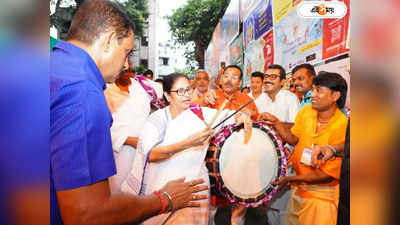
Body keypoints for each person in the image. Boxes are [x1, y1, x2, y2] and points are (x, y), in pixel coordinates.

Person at [50, 1, 207, 225]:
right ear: (109, 41)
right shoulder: (82, 90)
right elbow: (86, 214)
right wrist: (165, 199)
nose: (126, 65)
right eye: (126, 52)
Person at [133, 73, 252, 225]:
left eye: (189, 90)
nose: (187, 95)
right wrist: (188, 143)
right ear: (168, 96)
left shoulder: (200, 113)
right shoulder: (157, 119)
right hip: (164, 187)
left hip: (196, 187)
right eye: (180, 91)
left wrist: (243, 117)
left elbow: (231, 116)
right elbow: (151, 155)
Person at [260, 71, 348, 225]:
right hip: (298, 189)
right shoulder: (307, 112)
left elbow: (326, 175)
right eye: (313, 89)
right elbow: (294, 140)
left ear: (335, 96)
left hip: (321, 198)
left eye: (318, 90)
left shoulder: (343, 126)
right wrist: (276, 123)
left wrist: (289, 179)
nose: (312, 95)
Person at [204, 65, 259, 225]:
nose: (229, 79)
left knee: (239, 203)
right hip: (213, 159)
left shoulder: (248, 101)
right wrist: (202, 99)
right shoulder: (211, 97)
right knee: (212, 206)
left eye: (234, 77)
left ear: (240, 82)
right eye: (226, 75)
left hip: (240, 158)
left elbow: (256, 130)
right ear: (221, 79)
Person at [104, 62, 163, 193]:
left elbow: (168, 94)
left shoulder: (142, 86)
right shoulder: (104, 90)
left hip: (145, 151)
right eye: (123, 63)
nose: (126, 66)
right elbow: (98, 129)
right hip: (119, 156)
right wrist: (128, 140)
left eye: (128, 62)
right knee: (119, 197)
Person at [257, 64, 300, 225]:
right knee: (269, 203)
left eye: (273, 77)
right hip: (264, 157)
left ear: (282, 81)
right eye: (266, 76)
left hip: (286, 155)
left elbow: (296, 128)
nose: (267, 80)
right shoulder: (259, 100)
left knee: (284, 204)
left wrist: (277, 125)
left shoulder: (289, 98)